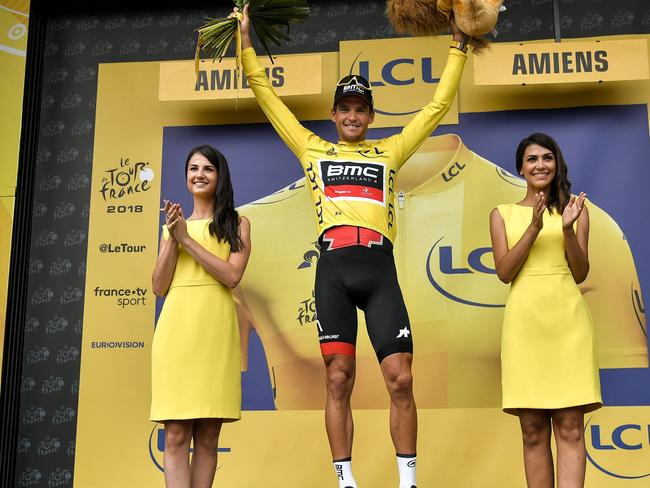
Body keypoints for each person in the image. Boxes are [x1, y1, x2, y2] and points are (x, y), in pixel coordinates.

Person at [237, 5, 469, 487]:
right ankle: (345, 480)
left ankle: (408, 482)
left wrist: (459, 47)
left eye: (361, 109)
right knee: (338, 378)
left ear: (370, 115)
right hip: (334, 271)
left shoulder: (391, 150)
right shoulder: (311, 149)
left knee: (401, 380)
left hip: (380, 270)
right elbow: (268, 100)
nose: (353, 116)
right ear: (334, 114)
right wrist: (245, 45)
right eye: (345, 108)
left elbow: (434, 109)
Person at [489, 133, 602, 488]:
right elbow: (505, 272)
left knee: (570, 425)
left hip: (568, 322)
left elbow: (580, 271)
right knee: (532, 430)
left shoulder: (576, 210)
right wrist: (535, 227)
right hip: (525, 323)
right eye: (533, 159)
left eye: (547, 158)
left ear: (557, 165)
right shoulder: (502, 214)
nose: (540, 165)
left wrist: (566, 228)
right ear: (520, 167)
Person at [150, 145, 251, 488]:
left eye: (208, 168)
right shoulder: (173, 227)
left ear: (219, 176)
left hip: (216, 334)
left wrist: (187, 240)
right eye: (193, 168)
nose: (199, 174)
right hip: (177, 332)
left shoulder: (237, 224)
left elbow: (232, 276)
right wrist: (173, 239)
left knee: (208, 437)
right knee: (176, 435)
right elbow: (159, 286)